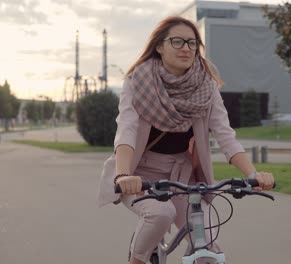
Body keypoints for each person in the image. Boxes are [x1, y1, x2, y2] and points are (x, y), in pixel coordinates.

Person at [98, 16, 275, 264]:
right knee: (161, 213)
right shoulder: (138, 81)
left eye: (192, 43)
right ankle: (136, 260)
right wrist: (123, 175)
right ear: (159, 46)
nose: (186, 48)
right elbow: (126, 131)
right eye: (177, 41)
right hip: (138, 174)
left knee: (207, 243)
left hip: (182, 176)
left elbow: (225, 135)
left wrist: (254, 174)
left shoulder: (206, 86)